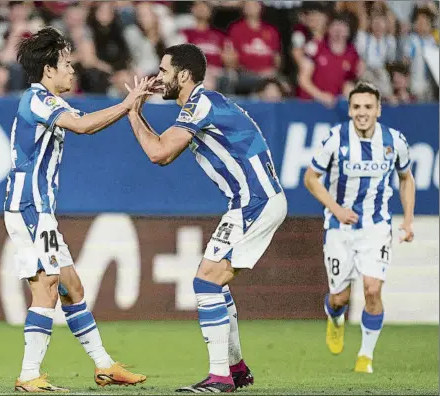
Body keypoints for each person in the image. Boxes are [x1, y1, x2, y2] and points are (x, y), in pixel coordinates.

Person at [125, 43, 287, 393]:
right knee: (214, 282)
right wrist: (138, 111)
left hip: (253, 202)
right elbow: (163, 152)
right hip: (253, 200)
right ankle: (236, 369)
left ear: (184, 75)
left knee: (206, 283)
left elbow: (158, 153)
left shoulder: (200, 104)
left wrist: (132, 111)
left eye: (164, 71)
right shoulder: (207, 103)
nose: (159, 78)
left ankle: (220, 378)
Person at [4, 26, 147, 392]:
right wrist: (126, 104)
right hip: (29, 206)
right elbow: (84, 127)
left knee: (71, 287)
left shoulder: (53, 103)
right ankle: (29, 375)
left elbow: (87, 121)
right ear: (48, 70)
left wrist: (127, 105)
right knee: (47, 287)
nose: (72, 70)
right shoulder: (37, 99)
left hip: (42, 209)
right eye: (66, 64)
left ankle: (104, 366)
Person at [303, 81, 415, 374]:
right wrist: (337, 209)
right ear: (350, 110)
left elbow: (406, 178)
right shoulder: (335, 139)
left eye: (368, 107)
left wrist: (408, 220)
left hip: (376, 226)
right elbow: (311, 178)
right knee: (340, 297)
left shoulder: (395, 141)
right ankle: (335, 316)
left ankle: (365, 356)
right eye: (356, 107)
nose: (362, 113)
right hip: (339, 228)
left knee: (372, 289)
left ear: (378, 109)